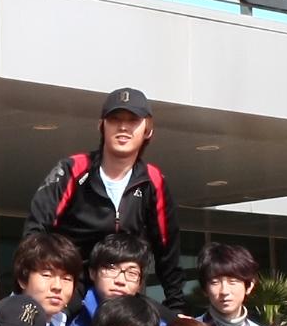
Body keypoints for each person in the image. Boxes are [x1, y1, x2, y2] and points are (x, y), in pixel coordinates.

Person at [25, 86, 188, 312]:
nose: (123, 127)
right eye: (115, 119)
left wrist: (176, 307)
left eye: (133, 120)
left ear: (148, 130)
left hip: (123, 285)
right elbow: (35, 234)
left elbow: (167, 249)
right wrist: (33, 288)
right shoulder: (73, 169)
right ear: (101, 125)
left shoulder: (153, 181)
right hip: (70, 282)